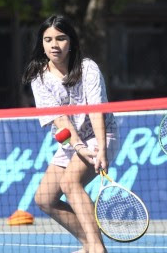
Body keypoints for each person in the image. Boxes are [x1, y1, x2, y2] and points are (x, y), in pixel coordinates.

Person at [22, 15, 118, 253]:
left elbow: (96, 111)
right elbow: (60, 120)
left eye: (61, 38)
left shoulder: (88, 68)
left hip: (101, 134)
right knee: (44, 199)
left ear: (71, 42)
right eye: (48, 39)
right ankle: (89, 245)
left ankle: (97, 249)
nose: (54, 45)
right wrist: (78, 147)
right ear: (41, 44)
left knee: (70, 183)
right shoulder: (39, 77)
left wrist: (101, 151)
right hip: (72, 141)